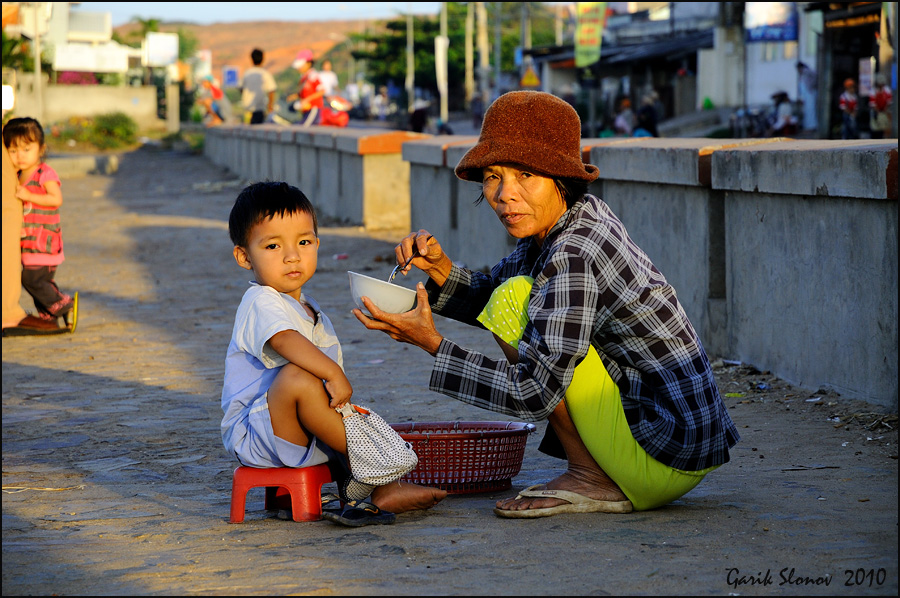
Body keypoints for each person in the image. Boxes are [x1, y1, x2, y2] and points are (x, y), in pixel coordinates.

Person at [353, 91, 740, 517]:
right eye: (493, 176)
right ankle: (597, 469)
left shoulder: (573, 252)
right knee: (513, 293)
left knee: (512, 298)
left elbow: (535, 390)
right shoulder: (572, 218)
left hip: (665, 451)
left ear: (561, 178)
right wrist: (441, 268)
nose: (504, 195)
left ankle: (591, 476)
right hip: (680, 446)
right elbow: (498, 297)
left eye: (525, 176)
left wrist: (432, 344)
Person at [221, 181, 446, 526]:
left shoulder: (310, 309)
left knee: (349, 409)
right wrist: (332, 372)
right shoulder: (260, 301)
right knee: (300, 375)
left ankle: (365, 484)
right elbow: (283, 340)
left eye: (304, 242)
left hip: (292, 429)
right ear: (244, 256)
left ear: (317, 244)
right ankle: (383, 480)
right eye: (272, 245)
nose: (292, 255)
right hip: (256, 433)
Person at [2, 117, 76, 330]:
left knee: (33, 279)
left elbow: (56, 199)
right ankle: (47, 318)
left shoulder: (44, 173)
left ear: (41, 148)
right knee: (31, 278)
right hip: (30, 241)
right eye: (13, 150)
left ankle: (63, 304)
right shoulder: (17, 175)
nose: (20, 156)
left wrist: (28, 195)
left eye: (26, 149)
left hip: (45, 240)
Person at [240, 48, 277, 125]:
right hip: (259, 109)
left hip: (248, 110)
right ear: (263, 59)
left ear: (251, 59)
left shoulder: (247, 73)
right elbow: (271, 90)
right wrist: (270, 106)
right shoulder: (265, 74)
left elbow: (241, 88)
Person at [288, 49, 324, 126]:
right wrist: (296, 96)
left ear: (308, 64)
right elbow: (304, 92)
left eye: (301, 66)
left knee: (303, 127)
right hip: (305, 110)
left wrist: (306, 100)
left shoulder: (313, 75)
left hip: (313, 108)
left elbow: (321, 91)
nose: (299, 68)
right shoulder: (304, 78)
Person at [868, 73, 893, 139]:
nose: (881, 86)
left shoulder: (887, 90)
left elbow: (889, 102)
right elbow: (872, 103)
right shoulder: (873, 90)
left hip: (884, 110)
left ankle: (886, 138)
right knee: (875, 127)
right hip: (876, 111)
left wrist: (885, 110)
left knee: (886, 125)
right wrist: (878, 111)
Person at [796, 61, 818, 132]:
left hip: (810, 93)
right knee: (807, 111)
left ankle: (812, 126)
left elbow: (815, 75)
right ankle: (808, 126)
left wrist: (812, 85)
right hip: (806, 95)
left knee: (811, 111)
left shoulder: (807, 71)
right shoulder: (802, 75)